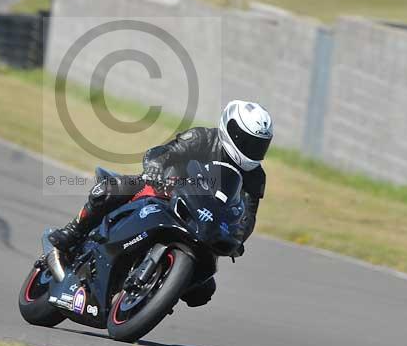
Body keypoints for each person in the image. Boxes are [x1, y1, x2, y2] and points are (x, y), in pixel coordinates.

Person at [48, 100, 272, 307]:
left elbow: (248, 216)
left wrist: (238, 237)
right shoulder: (202, 137)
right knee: (111, 188)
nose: (251, 149)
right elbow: (164, 153)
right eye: (246, 141)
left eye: (258, 145)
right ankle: (73, 232)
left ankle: (155, 292)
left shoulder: (255, 176)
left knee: (203, 291)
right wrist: (157, 167)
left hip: (205, 223)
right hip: (167, 192)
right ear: (229, 128)